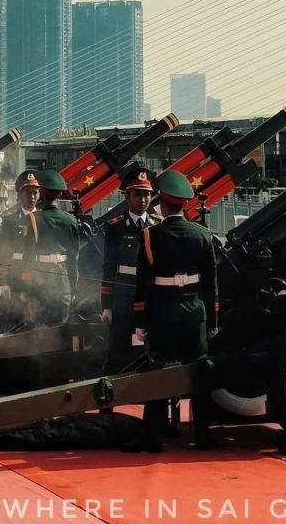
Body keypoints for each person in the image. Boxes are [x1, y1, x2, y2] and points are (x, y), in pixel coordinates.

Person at [124, 169, 219, 453]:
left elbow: (142, 286)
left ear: (162, 204)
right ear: (184, 204)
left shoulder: (150, 236)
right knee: (198, 374)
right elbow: (211, 284)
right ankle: (202, 435)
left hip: (162, 313)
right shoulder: (203, 235)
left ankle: (152, 438)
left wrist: (140, 323)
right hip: (194, 313)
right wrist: (213, 321)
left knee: (158, 375)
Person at [6, 169, 84, 325]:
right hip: (62, 280)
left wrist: (26, 289)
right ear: (60, 194)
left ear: (40, 193)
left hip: (40, 279)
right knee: (59, 328)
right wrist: (72, 288)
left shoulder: (33, 219)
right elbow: (73, 258)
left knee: (39, 328)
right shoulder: (71, 220)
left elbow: (28, 257)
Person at [100, 168, 157, 372]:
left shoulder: (157, 226)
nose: (143, 200)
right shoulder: (115, 227)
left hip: (150, 296)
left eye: (147, 194)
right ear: (127, 196)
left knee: (149, 348)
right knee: (118, 347)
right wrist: (106, 306)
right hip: (124, 296)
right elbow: (108, 268)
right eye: (138, 194)